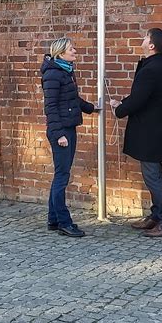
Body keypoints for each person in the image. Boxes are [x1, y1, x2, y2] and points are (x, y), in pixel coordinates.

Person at [110, 28, 162, 238]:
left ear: (152, 45)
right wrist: (122, 103)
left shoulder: (152, 68)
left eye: (146, 37)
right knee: (152, 175)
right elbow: (140, 95)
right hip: (151, 129)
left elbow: (139, 99)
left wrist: (119, 109)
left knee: (153, 176)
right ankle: (156, 216)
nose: (143, 39)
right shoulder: (154, 65)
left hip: (151, 131)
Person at [41, 37, 100, 238]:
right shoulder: (53, 74)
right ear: (60, 53)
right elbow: (50, 107)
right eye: (71, 49)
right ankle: (64, 223)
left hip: (68, 128)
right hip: (62, 132)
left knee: (60, 175)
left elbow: (72, 99)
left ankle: (53, 219)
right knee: (62, 177)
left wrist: (92, 108)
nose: (75, 51)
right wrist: (59, 135)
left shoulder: (65, 71)